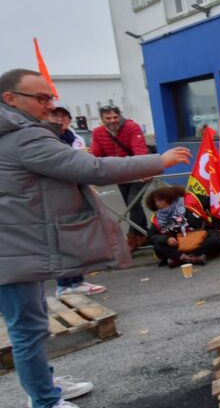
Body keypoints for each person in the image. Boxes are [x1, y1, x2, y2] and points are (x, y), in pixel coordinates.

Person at [0, 68, 192, 408]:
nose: (49, 104)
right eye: (41, 98)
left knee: (31, 322)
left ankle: (45, 384)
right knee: (28, 329)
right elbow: (92, 169)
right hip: (13, 246)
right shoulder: (22, 135)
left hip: (17, 242)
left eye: (50, 97)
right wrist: (158, 160)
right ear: (10, 99)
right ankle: (45, 400)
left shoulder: (16, 131)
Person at [49, 103, 106, 298]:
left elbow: (84, 165)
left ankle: (77, 281)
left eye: (63, 117)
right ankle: (63, 285)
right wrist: (76, 157)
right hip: (55, 198)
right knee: (60, 243)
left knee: (76, 241)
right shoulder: (46, 140)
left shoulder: (75, 138)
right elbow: (61, 165)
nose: (59, 120)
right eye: (55, 117)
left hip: (76, 194)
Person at [90, 104, 150, 251]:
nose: (112, 120)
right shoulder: (98, 132)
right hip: (119, 175)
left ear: (120, 116)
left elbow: (140, 151)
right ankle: (143, 234)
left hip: (139, 172)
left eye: (115, 117)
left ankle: (131, 238)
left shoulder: (131, 127)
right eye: (108, 118)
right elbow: (96, 154)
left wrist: (142, 170)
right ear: (102, 119)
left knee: (133, 204)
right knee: (132, 205)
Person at [145, 186, 220, 267]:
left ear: (169, 197)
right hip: (178, 243)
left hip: (201, 236)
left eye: (160, 200)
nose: (158, 204)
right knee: (158, 248)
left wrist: (216, 227)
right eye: (155, 202)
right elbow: (151, 236)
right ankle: (193, 258)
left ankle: (180, 259)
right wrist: (166, 239)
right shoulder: (157, 218)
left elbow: (214, 204)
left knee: (216, 239)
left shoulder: (190, 199)